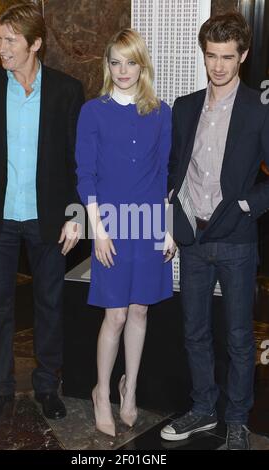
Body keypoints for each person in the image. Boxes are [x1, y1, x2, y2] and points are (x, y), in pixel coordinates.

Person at [0, 3, 84, 421]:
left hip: (49, 218)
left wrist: (77, 214)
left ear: (35, 44)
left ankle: (47, 386)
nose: (1, 48)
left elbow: (78, 161)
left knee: (49, 304)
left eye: (10, 41)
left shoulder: (67, 90)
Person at [160, 12, 269, 450]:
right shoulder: (184, 107)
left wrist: (248, 204)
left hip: (237, 241)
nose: (218, 66)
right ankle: (203, 409)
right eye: (211, 56)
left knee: (241, 338)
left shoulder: (259, 109)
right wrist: (170, 223)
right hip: (193, 238)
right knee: (194, 331)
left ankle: (237, 420)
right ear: (203, 56)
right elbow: (174, 171)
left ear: (242, 56)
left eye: (227, 56)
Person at [75, 28, 175, 437]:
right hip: (111, 226)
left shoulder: (160, 112)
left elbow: (164, 174)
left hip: (149, 224)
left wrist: (167, 231)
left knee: (140, 310)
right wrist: (97, 231)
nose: (123, 70)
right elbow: (87, 176)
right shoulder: (93, 112)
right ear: (107, 65)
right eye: (115, 62)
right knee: (114, 314)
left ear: (142, 65)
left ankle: (128, 389)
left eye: (130, 62)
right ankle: (102, 391)